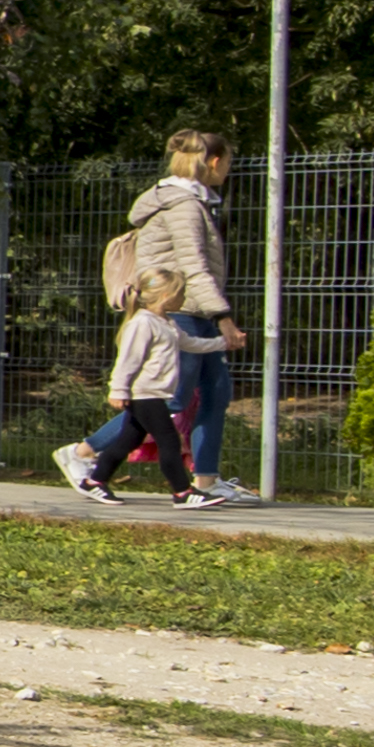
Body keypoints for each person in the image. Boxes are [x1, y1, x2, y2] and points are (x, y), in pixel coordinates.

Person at [130, 127, 247, 497]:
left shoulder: (193, 202)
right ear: (214, 161)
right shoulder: (182, 205)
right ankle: (85, 453)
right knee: (171, 399)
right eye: (227, 163)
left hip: (196, 309)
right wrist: (223, 316)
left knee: (216, 392)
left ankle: (207, 480)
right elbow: (194, 266)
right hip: (181, 310)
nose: (227, 171)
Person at [63, 274, 207, 502]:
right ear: (167, 296)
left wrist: (223, 343)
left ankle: (94, 481)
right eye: (181, 293)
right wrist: (118, 390)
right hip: (144, 393)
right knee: (169, 439)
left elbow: (190, 343)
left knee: (128, 440)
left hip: (152, 393)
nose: (184, 298)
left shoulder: (166, 323)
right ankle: (183, 492)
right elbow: (128, 360)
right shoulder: (142, 323)